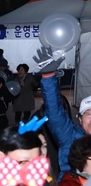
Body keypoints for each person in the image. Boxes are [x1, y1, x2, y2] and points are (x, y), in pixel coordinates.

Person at [35, 48, 91, 179]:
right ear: (80, 119)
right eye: (89, 114)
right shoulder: (71, 136)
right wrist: (48, 77)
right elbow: (54, 113)